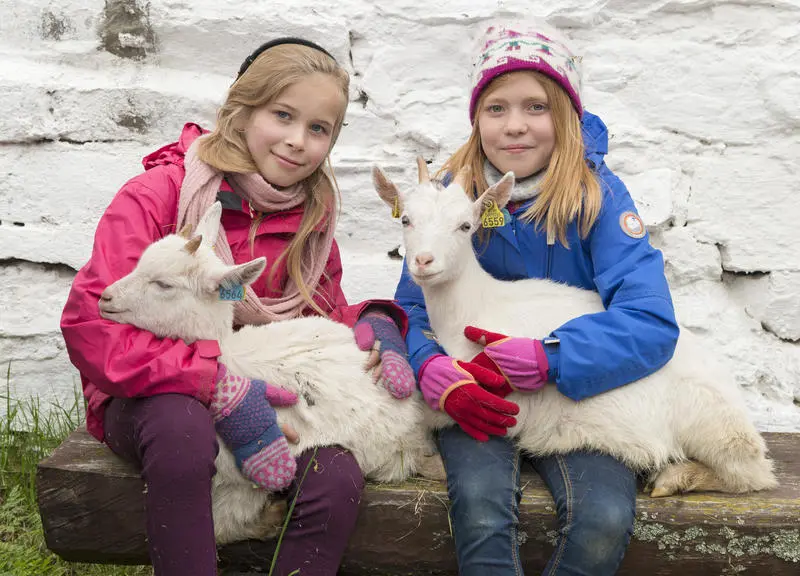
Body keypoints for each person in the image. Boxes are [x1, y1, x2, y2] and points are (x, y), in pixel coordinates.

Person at [61, 37, 414, 576]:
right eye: (282, 115)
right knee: (184, 429)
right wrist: (215, 384)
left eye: (318, 129)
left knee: (335, 474)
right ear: (240, 110)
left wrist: (377, 323)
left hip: (258, 389)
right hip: (146, 393)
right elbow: (93, 323)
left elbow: (319, 321)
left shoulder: (311, 224)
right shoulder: (161, 194)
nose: (298, 141)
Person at [395, 20, 680, 575]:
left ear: (566, 115)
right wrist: (430, 365)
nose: (515, 127)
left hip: (574, 402)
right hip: (478, 397)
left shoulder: (597, 196)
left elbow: (649, 322)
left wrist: (553, 355)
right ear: (476, 119)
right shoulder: (450, 196)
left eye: (536, 106)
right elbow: (409, 306)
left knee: (601, 518)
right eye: (496, 108)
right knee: (479, 511)